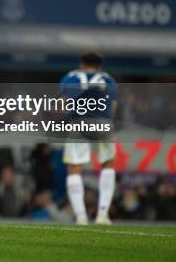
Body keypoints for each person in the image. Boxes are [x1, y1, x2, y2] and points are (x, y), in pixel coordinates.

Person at [60, 51, 118, 225]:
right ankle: (102, 215)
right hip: (103, 122)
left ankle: (81, 217)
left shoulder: (70, 77)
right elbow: (113, 107)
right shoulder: (108, 79)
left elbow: (62, 104)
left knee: (75, 168)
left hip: (80, 121)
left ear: (82, 63)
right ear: (99, 65)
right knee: (108, 164)